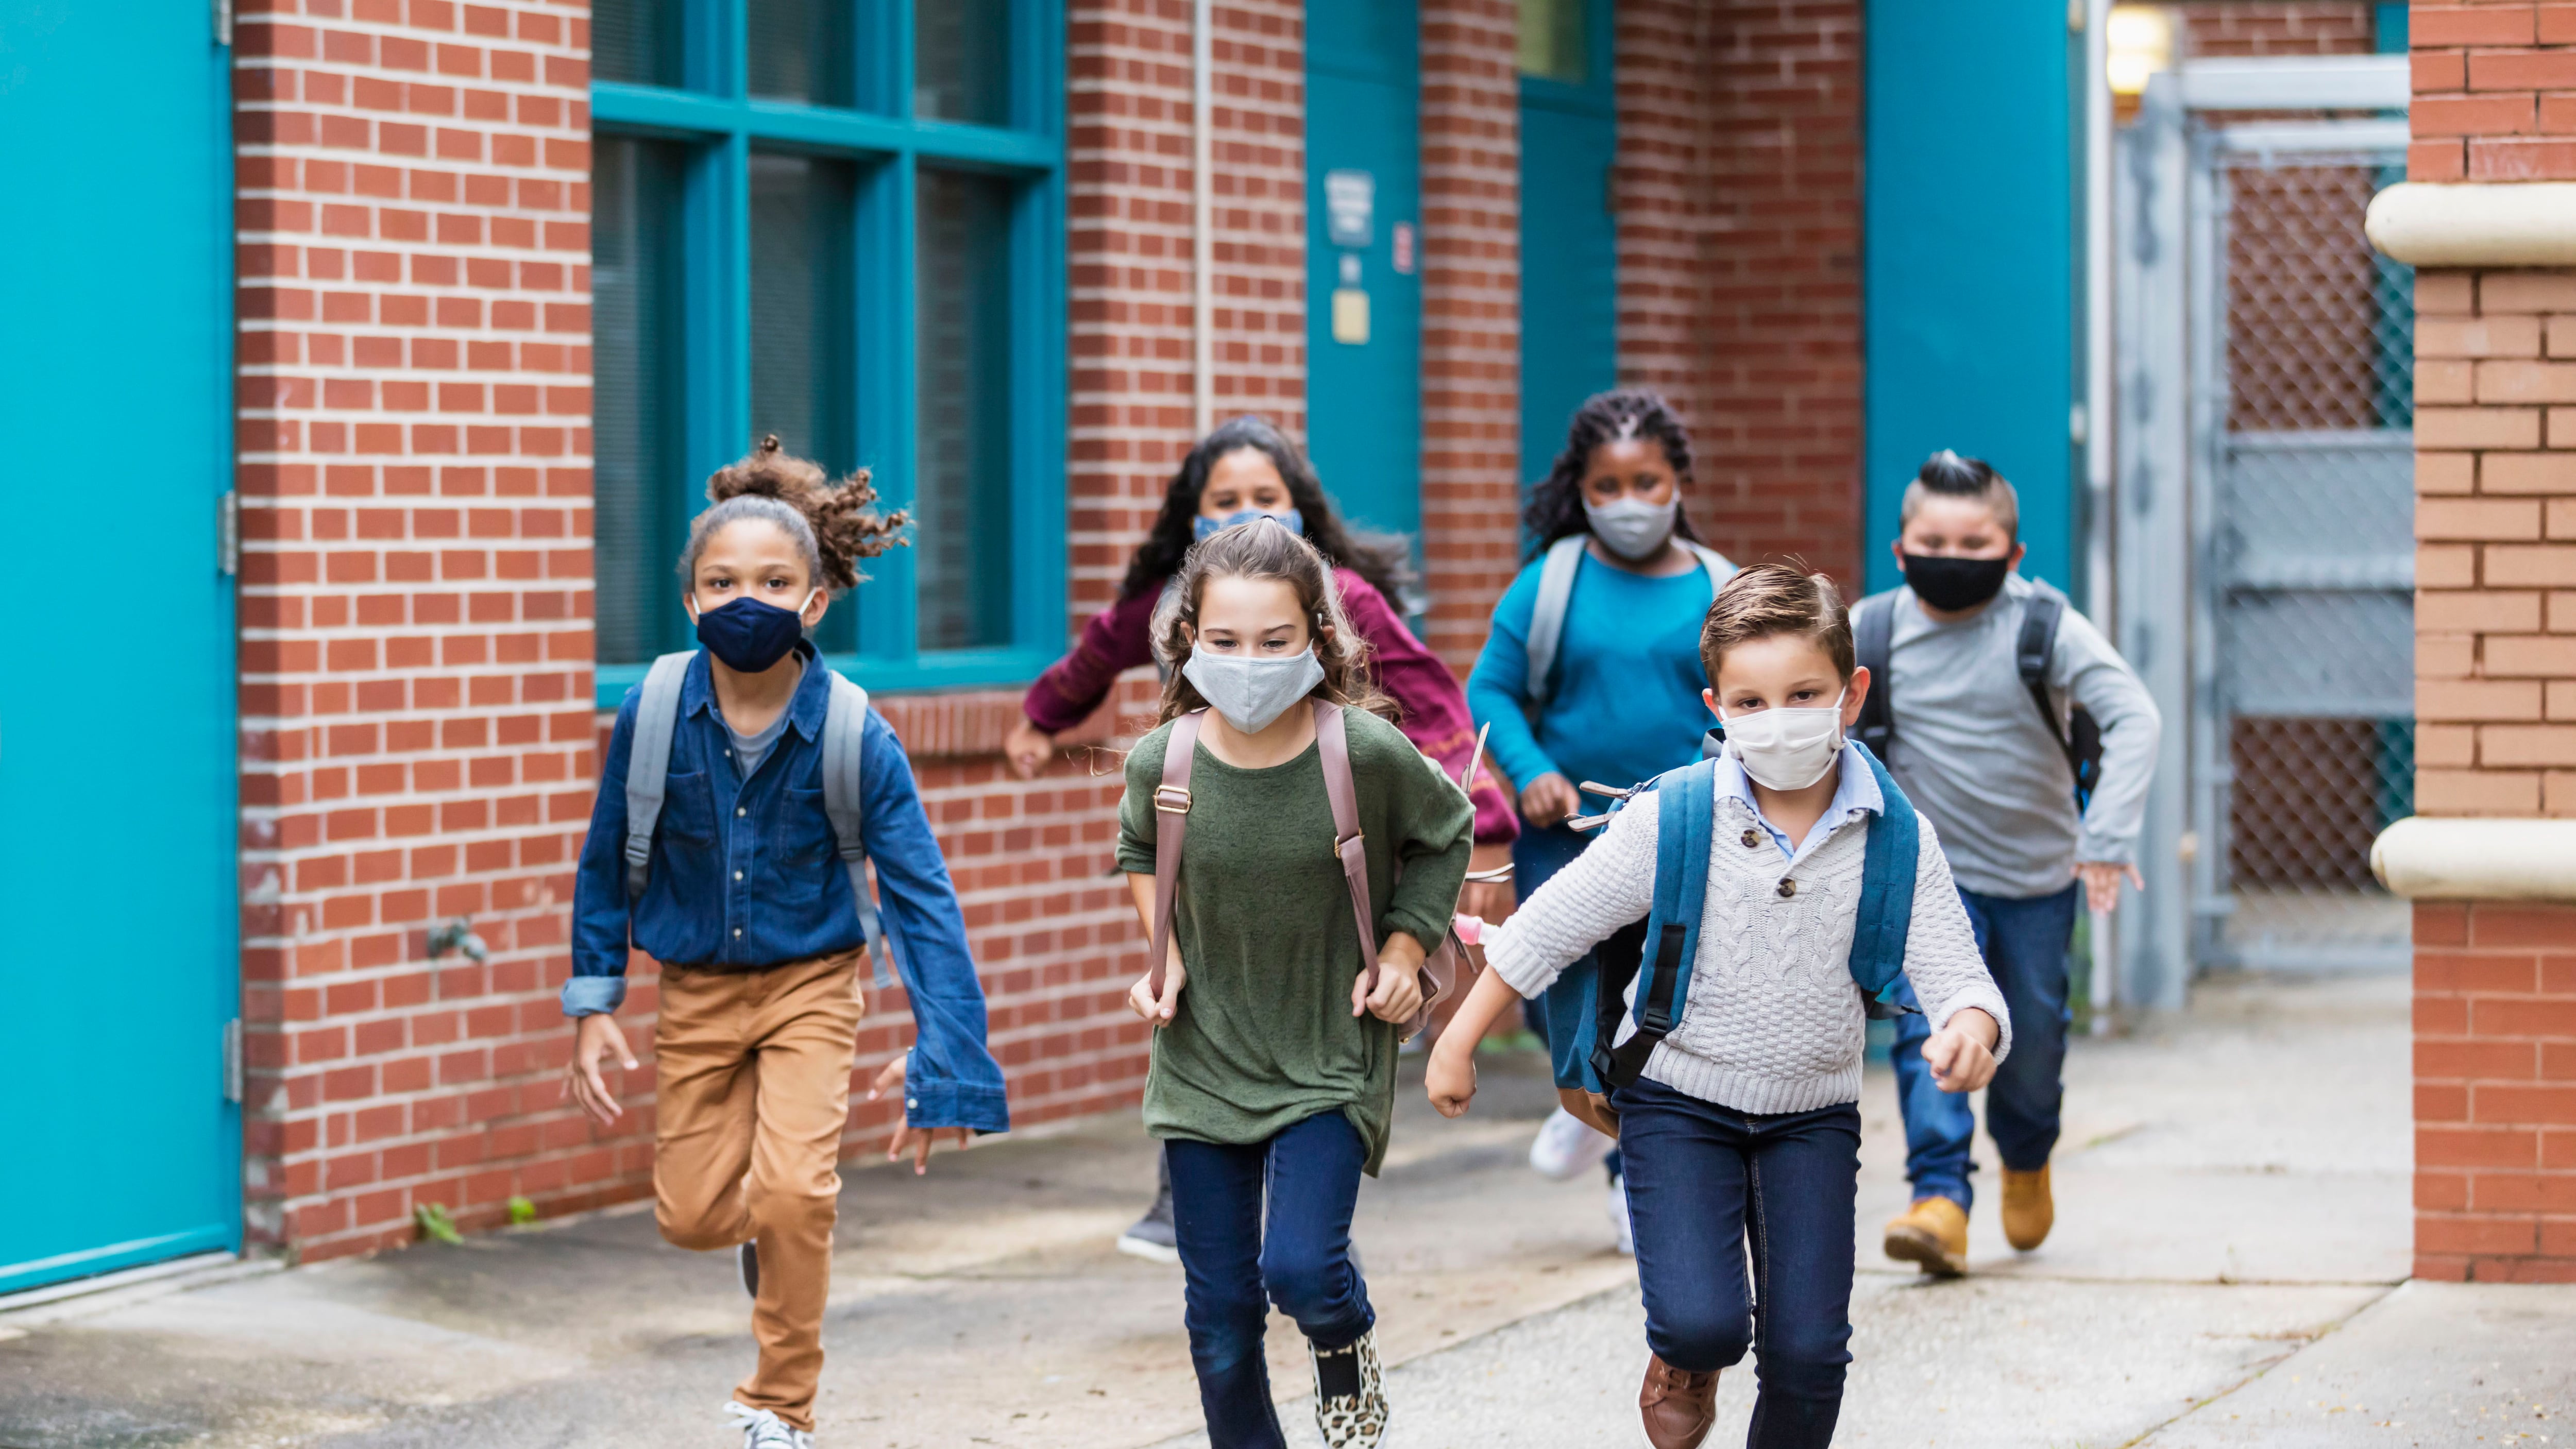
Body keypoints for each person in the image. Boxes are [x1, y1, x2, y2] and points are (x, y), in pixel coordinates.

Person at [1426, 564, 2009, 1449]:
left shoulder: (1896, 831)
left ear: (1852, 693)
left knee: (1810, 1356)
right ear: (1717, 704)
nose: (1777, 719)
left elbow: (1957, 969)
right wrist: (1458, 1040)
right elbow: (1549, 925)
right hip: (1676, 1101)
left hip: (1813, 1115)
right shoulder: (1677, 816)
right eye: (1751, 700)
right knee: (1706, 1322)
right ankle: (1683, 1356)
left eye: (1804, 692)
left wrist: (1971, 1027)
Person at [562, 439, 1011, 1449]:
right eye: (721, 582)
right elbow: (602, 866)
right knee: (689, 1215)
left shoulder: (857, 734)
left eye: (772, 583)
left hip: (814, 986)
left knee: (798, 1190)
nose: (745, 601)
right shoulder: (652, 716)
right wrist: (594, 1006)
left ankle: (781, 1403)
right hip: (695, 992)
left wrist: (950, 1058)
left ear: (814, 602)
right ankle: (777, 1239)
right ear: (688, 600)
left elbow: (921, 901)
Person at [1000, 414, 1515, 1260]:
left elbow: (1435, 702)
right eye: (1225, 499)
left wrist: (1480, 824)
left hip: (1314, 860)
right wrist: (1040, 717)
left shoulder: (1346, 598)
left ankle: (1308, 1239)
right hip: (1210, 846)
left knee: (1302, 1241)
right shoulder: (1178, 600)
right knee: (1206, 1019)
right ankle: (1188, 1194)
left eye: (1266, 497)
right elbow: (1100, 648)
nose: (1249, 513)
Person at [1120, 519, 1473, 1449]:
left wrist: (1403, 954)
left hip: (1328, 1051)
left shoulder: (1359, 751)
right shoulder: (1166, 761)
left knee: (1303, 1272)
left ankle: (1345, 1337)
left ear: (1317, 638)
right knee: (1221, 1314)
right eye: (1225, 641)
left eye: (1275, 642)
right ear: (1188, 640)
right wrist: (1166, 957)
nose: (1249, 662)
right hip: (1202, 1060)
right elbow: (1137, 852)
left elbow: (1446, 833)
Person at [1859, 451, 2161, 1278]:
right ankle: (1940, 1199)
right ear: (1900, 547)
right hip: (1926, 883)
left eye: (1974, 541)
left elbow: (2135, 716)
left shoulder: (2045, 627)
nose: (1951, 555)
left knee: (2029, 1048)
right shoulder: (1871, 631)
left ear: (2014, 554)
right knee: (1928, 1029)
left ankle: (2027, 1155)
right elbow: (1808, 714)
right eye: (1933, 539)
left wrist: (2105, 839)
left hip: (2034, 880)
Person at [1463, 388, 1735, 1248]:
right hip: (1569, 833)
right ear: (1581, 488)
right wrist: (1531, 771)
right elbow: (1491, 689)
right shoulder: (1552, 583)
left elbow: (1746, 694)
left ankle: (1630, 1178)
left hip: (1684, 833)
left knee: (1653, 1004)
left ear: (1679, 481)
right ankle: (1580, 1090)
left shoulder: (1718, 585)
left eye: (1646, 481)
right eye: (1608, 484)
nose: (1628, 502)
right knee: (1558, 992)